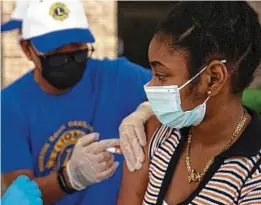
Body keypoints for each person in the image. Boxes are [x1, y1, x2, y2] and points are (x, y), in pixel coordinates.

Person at [1, 0, 152, 204]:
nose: (69, 62)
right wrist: (69, 178)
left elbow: (175, 88)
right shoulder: (10, 105)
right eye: (56, 56)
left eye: (78, 53)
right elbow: (21, 195)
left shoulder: (117, 77)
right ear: (27, 49)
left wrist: (144, 109)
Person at [117, 2, 261, 205]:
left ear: (213, 78)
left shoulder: (253, 173)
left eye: (162, 75)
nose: (151, 86)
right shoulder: (156, 134)